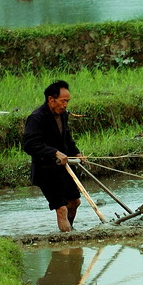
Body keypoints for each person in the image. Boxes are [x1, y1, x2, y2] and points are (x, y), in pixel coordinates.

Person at [23, 80, 85, 232]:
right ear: (51, 99)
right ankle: (67, 238)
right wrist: (54, 152)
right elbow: (30, 145)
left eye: (67, 101)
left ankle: (69, 231)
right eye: (63, 101)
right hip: (47, 170)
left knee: (74, 202)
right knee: (61, 208)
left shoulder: (62, 115)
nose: (65, 105)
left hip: (65, 167)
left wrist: (76, 152)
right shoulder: (36, 118)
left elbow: (67, 138)